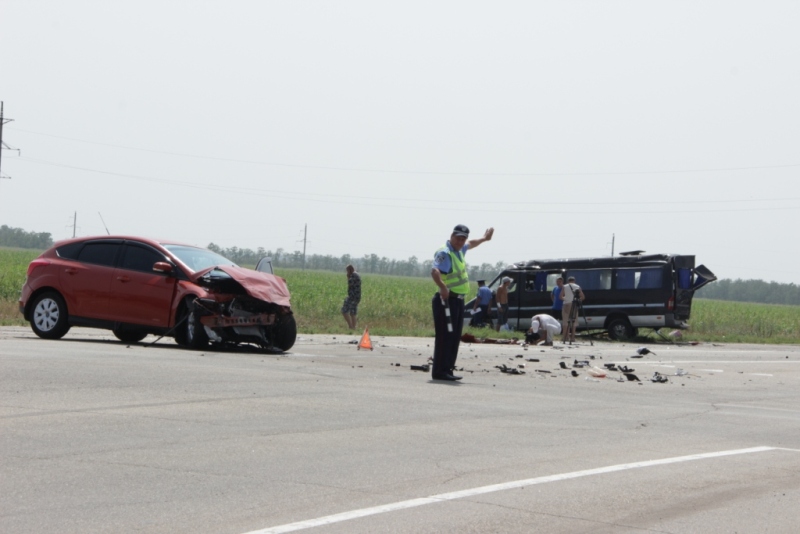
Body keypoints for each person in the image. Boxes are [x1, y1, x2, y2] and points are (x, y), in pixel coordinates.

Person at [431, 224, 494, 381]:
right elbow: (435, 271)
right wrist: (442, 287)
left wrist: (484, 239)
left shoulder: (459, 250)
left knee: (454, 337)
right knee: (445, 337)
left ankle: (448, 369)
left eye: (462, 239)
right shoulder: (445, 253)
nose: (460, 241)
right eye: (458, 238)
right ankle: (439, 371)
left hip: (458, 301)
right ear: (451, 236)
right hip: (446, 301)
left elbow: (471, 244)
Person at [561, 276, 585, 342]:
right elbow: (582, 297)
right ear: (574, 281)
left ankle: (565, 337)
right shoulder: (577, 286)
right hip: (574, 305)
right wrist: (577, 300)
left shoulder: (565, 286)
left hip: (566, 304)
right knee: (574, 322)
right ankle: (573, 338)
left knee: (566, 322)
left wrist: (565, 298)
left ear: (568, 281)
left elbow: (560, 296)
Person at [341, 264, 361, 330]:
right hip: (357, 297)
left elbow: (350, 283)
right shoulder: (357, 274)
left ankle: (350, 326)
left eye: (347, 271)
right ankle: (353, 328)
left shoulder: (353, 275)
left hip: (352, 296)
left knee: (344, 311)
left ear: (349, 270)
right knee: (353, 313)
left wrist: (348, 277)